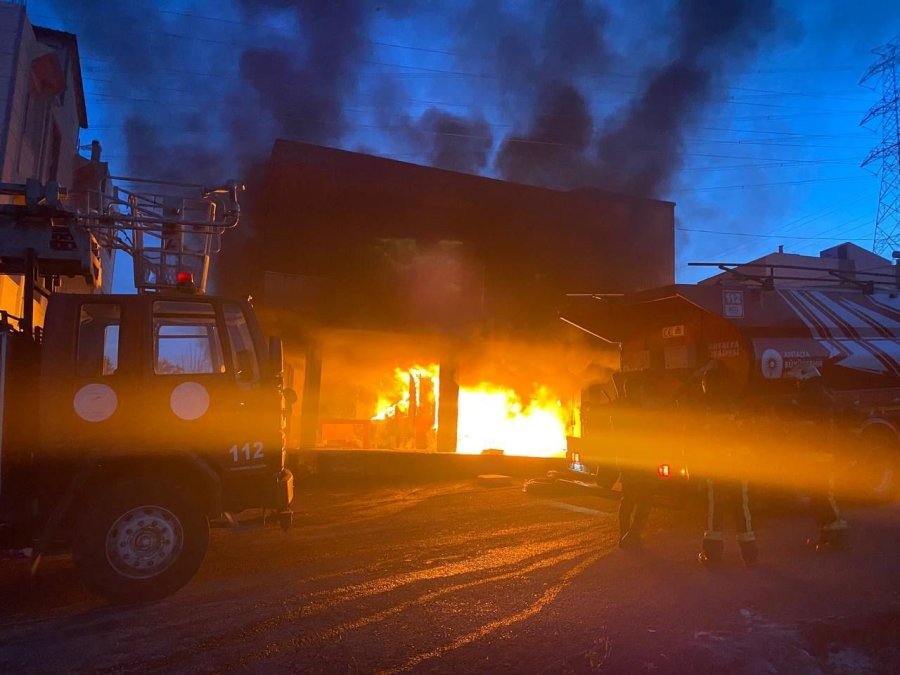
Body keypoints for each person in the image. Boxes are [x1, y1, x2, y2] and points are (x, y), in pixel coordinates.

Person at [695, 362, 758, 566]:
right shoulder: (735, 405)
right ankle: (750, 554)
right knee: (741, 508)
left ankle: (711, 554)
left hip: (717, 467)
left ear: (709, 384)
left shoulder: (706, 407)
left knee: (715, 508)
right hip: (738, 466)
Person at [789, 363, 849, 553]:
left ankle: (837, 533)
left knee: (822, 496)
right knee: (818, 497)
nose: (796, 384)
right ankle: (826, 535)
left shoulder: (811, 398)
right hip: (820, 453)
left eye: (798, 381)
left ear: (805, 379)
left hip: (818, 455)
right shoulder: (820, 396)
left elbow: (805, 427)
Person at [613, 375, 657, 549]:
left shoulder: (620, 407)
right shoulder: (638, 408)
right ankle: (631, 535)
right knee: (645, 499)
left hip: (626, 459)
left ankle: (625, 534)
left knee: (629, 500)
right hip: (639, 460)